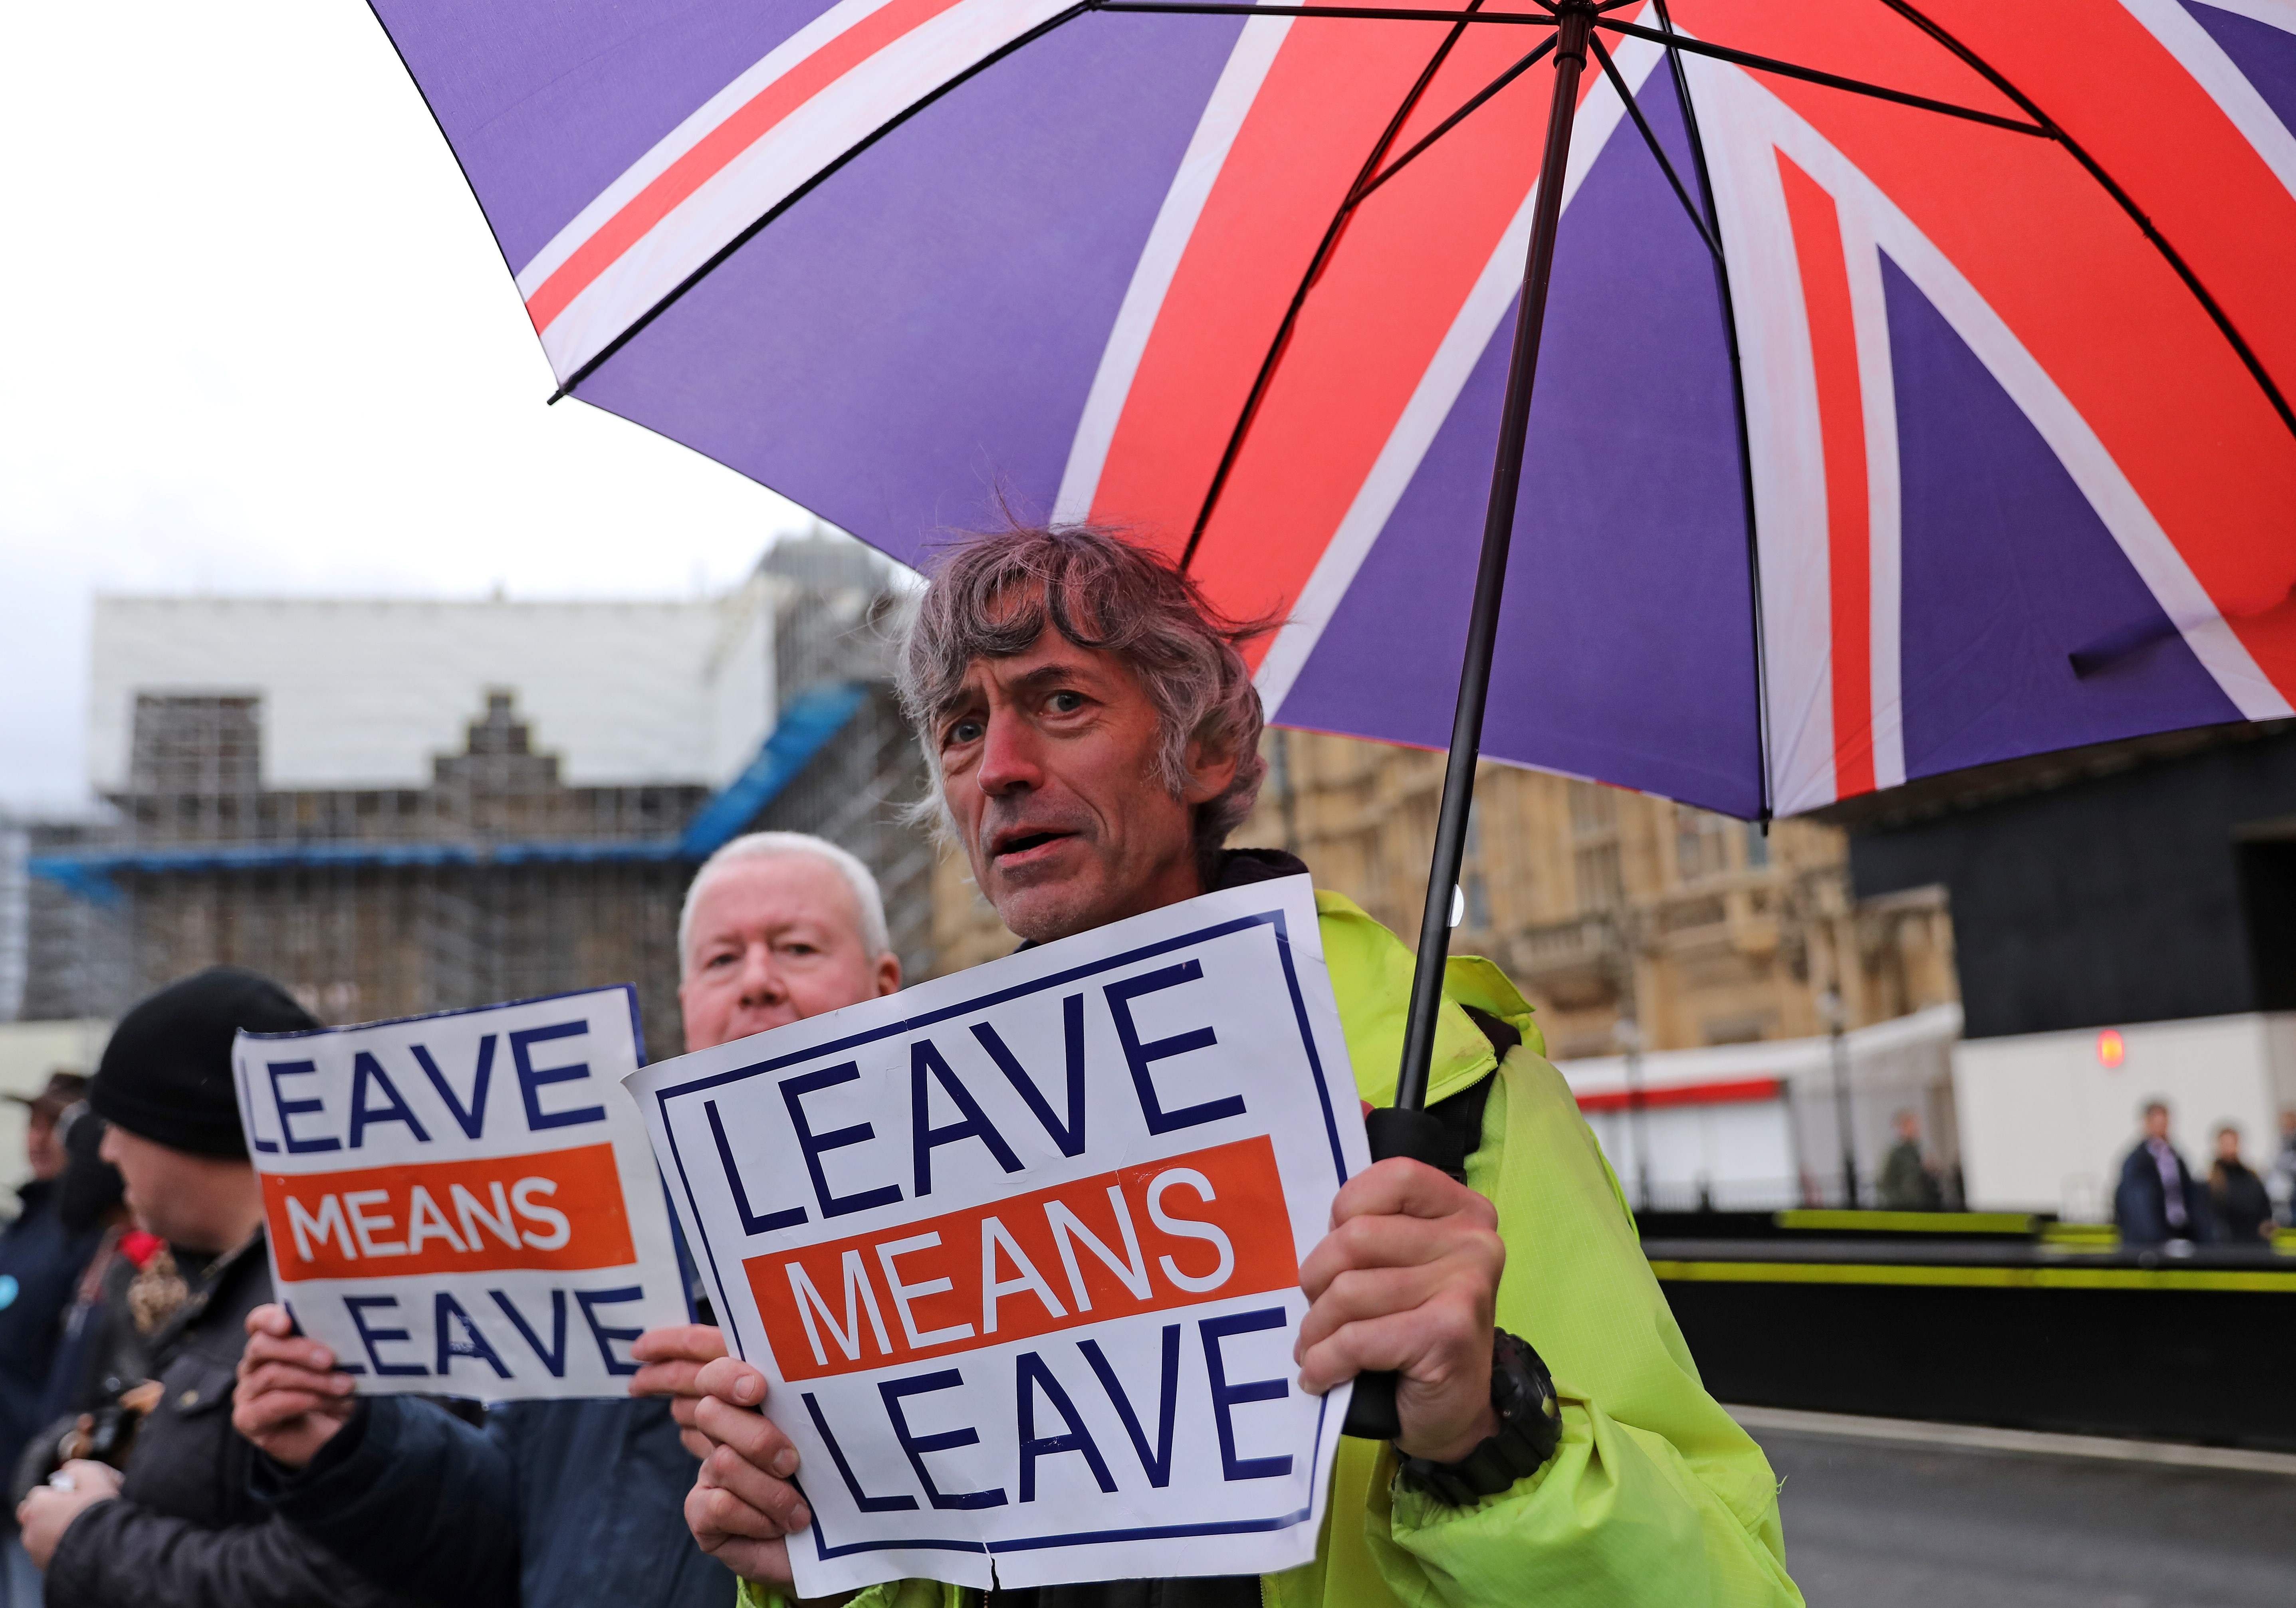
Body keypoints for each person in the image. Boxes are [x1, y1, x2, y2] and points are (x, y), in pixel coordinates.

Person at [679, 526, 1801, 1607]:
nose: (1000, 769)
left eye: (1061, 702)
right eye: (960, 726)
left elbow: (1724, 1581)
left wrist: (1487, 1431)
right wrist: (817, 1572)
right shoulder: (913, 1157)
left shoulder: (1451, 1097)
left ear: (1208, 749)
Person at [231, 833, 906, 1607]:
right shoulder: (606, 1230)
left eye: (795, 948)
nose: (756, 982)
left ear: (884, 983)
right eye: (722, 959)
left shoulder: (973, 1215)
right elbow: (511, 1526)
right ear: (687, 1004)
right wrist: (346, 1442)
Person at [11, 967, 413, 1608]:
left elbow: (333, 1578)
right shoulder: (230, 1281)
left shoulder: (333, 1302)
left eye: (120, 1125)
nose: (107, 1154)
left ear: (187, 1133)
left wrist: (91, 1539)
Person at [0, 1074, 99, 1468]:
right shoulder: (21, 1225)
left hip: (37, 1465)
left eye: (54, 1126)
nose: (39, 1140)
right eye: (34, 1125)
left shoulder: (87, 1236)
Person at [2114, 1100, 2215, 1247]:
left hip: (2179, 1230)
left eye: (2164, 1123)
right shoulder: (2137, 1161)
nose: (2162, 1128)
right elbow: (2138, 1205)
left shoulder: (2175, 1157)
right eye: (2157, 1123)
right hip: (2153, 1236)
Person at [2207, 1123, 2273, 1246]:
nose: (2230, 1148)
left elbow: (2265, 1210)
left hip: (2254, 1242)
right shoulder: (2212, 1182)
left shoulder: (2251, 1178)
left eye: (2232, 1143)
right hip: (2227, 1245)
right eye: (2226, 1144)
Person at [1876, 1108, 1943, 1212]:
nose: (1914, 1129)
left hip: (1924, 1204)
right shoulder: (1896, 1154)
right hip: (1906, 1207)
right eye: (1910, 1125)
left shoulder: (1919, 1150)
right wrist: (1899, 1204)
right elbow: (1885, 1184)